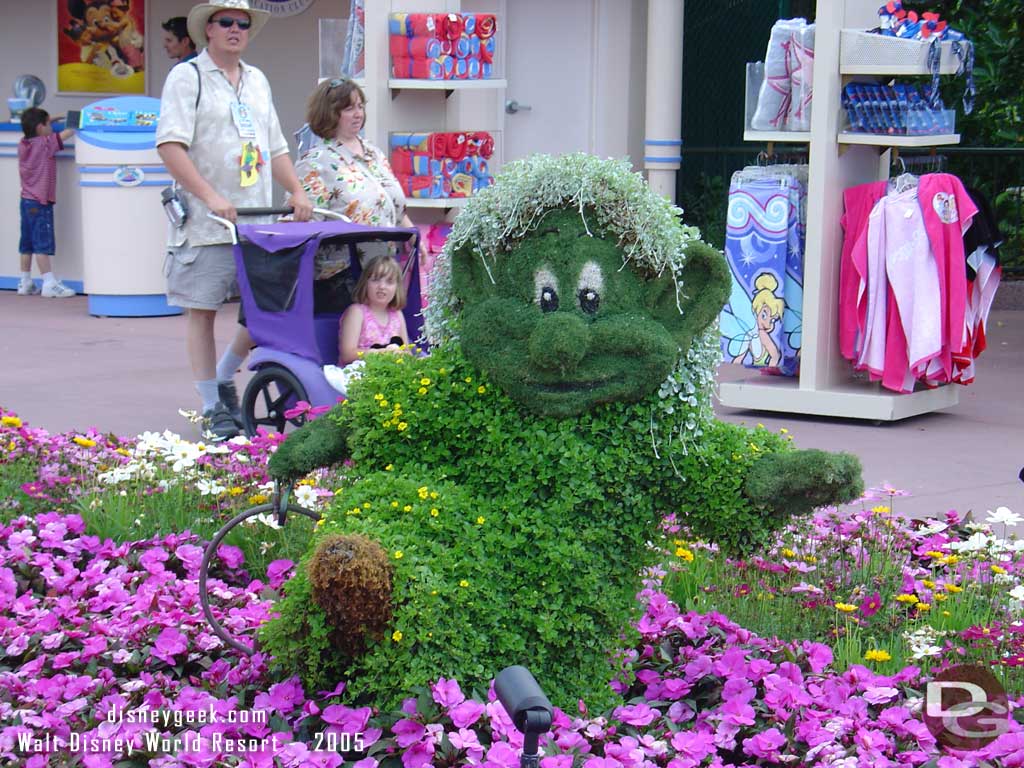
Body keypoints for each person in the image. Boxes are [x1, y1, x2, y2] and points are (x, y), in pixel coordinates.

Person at [156, 0, 314, 440]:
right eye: (225, 22)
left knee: (264, 309)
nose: (234, 29)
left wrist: (297, 191)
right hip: (208, 222)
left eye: (242, 23)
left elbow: (276, 147)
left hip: (256, 221)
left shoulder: (257, 80)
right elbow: (170, 145)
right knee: (203, 310)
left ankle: (225, 375)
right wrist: (210, 196)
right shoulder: (187, 77)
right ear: (208, 28)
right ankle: (211, 406)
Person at [294, 78, 424, 269]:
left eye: (360, 106)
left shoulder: (375, 153)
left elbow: (392, 205)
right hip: (342, 276)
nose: (358, 114)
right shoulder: (314, 162)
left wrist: (412, 236)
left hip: (383, 272)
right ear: (330, 114)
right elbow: (305, 227)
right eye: (349, 109)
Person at [17, 108, 76, 298]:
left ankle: (25, 282)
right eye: (49, 124)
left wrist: (53, 117)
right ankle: (49, 283)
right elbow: (70, 131)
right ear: (40, 127)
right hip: (40, 202)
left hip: (26, 200)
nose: (52, 127)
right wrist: (84, 119)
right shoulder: (46, 143)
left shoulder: (24, 143)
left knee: (27, 243)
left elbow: (41, 127)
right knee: (42, 243)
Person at [339, 254, 409, 365]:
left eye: (389, 282)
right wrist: (383, 353)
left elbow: (406, 352)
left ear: (397, 287)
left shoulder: (397, 314)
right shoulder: (357, 312)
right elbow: (347, 355)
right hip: (359, 374)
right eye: (375, 280)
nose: (382, 286)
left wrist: (401, 354)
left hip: (391, 374)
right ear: (365, 283)